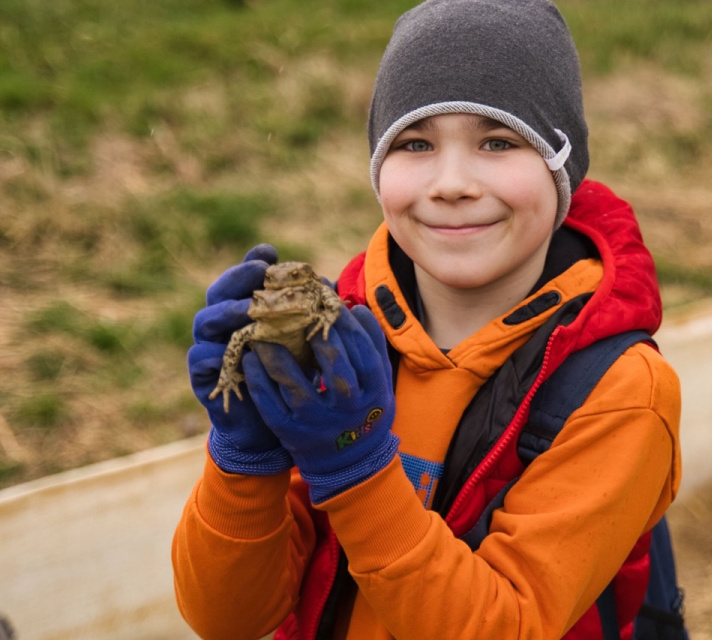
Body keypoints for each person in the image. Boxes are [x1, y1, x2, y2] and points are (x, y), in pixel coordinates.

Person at [172, 0, 682, 638]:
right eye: (415, 144)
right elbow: (226, 618)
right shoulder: (340, 343)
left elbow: (508, 625)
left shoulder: (619, 393)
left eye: (497, 142)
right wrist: (243, 459)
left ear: (562, 166)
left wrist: (356, 471)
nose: (451, 182)